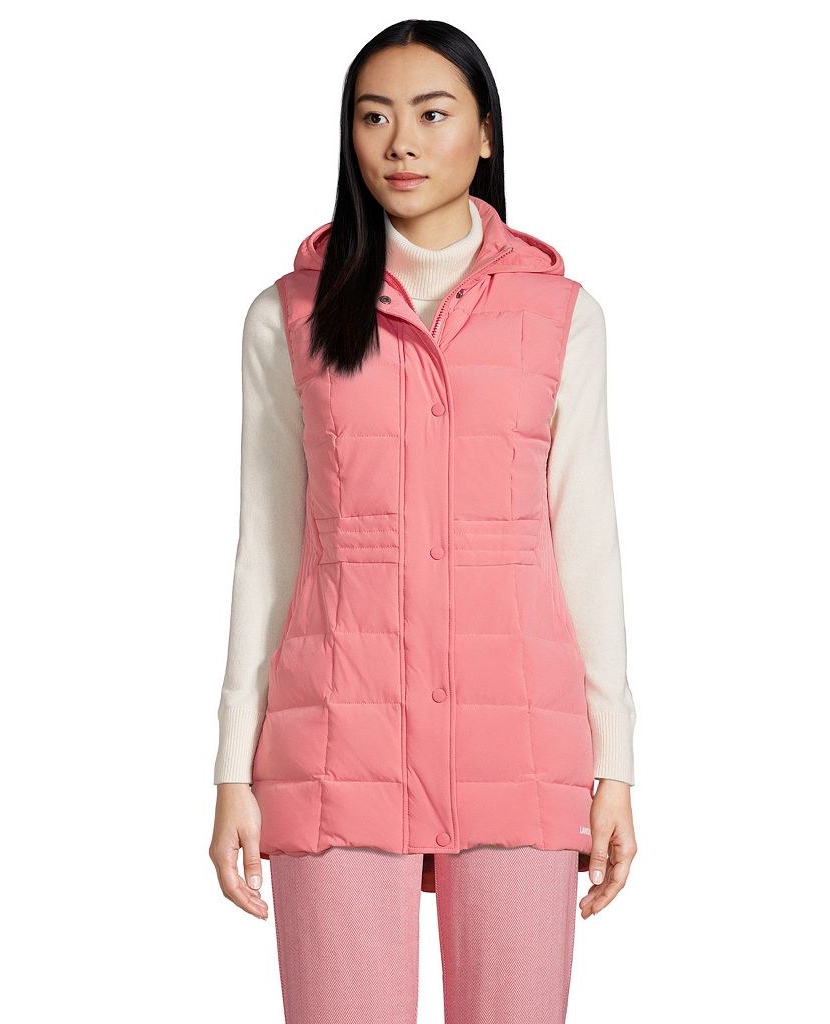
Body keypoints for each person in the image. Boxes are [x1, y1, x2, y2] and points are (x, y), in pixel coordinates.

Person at [209, 19, 638, 1023]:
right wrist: (234, 767)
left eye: (432, 114)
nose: (400, 142)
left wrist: (613, 762)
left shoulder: (561, 315)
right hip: (334, 739)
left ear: (485, 134)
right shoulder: (289, 316)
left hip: (519, 740)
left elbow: (585, 544)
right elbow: (267, 552)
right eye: (373, 118)